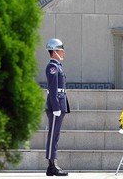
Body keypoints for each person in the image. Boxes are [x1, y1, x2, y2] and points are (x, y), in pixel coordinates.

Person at [45, 38, 70, 176]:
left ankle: (53, 165)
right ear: (55, 52)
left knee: (56, 136)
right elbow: (53, 89)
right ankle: (51, 166)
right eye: (61, 50)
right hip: (56, 104)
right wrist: (55, 107)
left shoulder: (58, 66)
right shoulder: (52, 67)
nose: (63, 52)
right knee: (53, 135)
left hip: (60, 103)